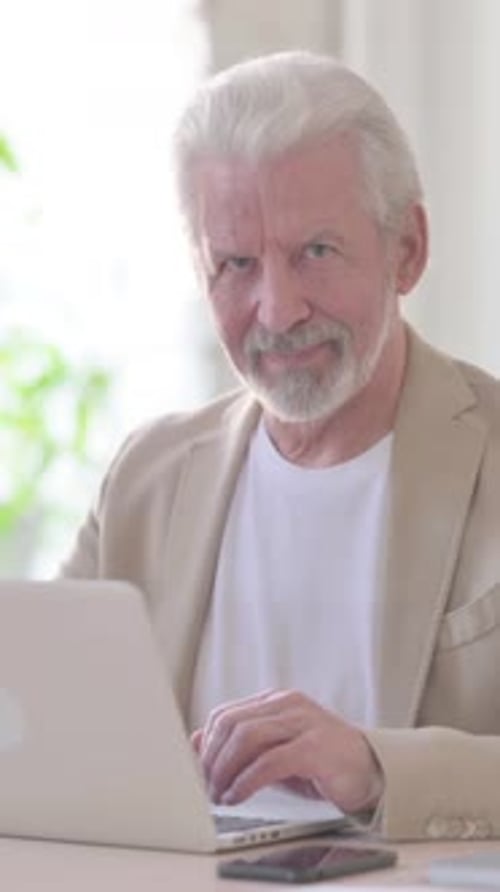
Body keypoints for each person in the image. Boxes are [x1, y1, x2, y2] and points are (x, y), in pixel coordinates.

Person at [61, 50, 500, 841]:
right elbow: (37, 725)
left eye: (315, 253)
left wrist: (375, 765)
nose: (277, 309)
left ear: (408, 250)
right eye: (235, 263)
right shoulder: (144, 478)